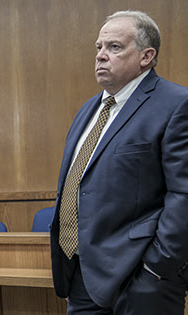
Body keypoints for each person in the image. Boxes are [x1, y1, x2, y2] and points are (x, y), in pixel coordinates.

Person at [50, 10, 188, 314]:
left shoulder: (177, 104)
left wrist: (158, 267)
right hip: (83, 276)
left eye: (114, 47)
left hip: (141, 279)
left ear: (146, 56)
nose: (101, 56)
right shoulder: (89, 109)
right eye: (99, 47)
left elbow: (184, 194)